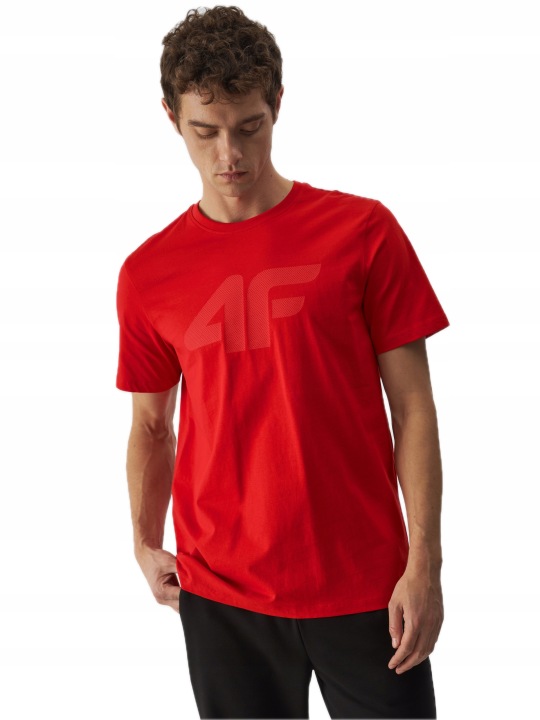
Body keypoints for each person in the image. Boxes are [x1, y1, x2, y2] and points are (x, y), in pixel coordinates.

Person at [115, 5, 449, 718]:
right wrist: (144, 543)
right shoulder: (147, 273)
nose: (229, 154)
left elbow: (414, 408)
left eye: (249, 126)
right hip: (222, 593)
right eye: (205, 132)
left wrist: (425, 561)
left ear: (277, 105)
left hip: (365, 584)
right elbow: (150, 426)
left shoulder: (363, 232)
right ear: (172, 118)